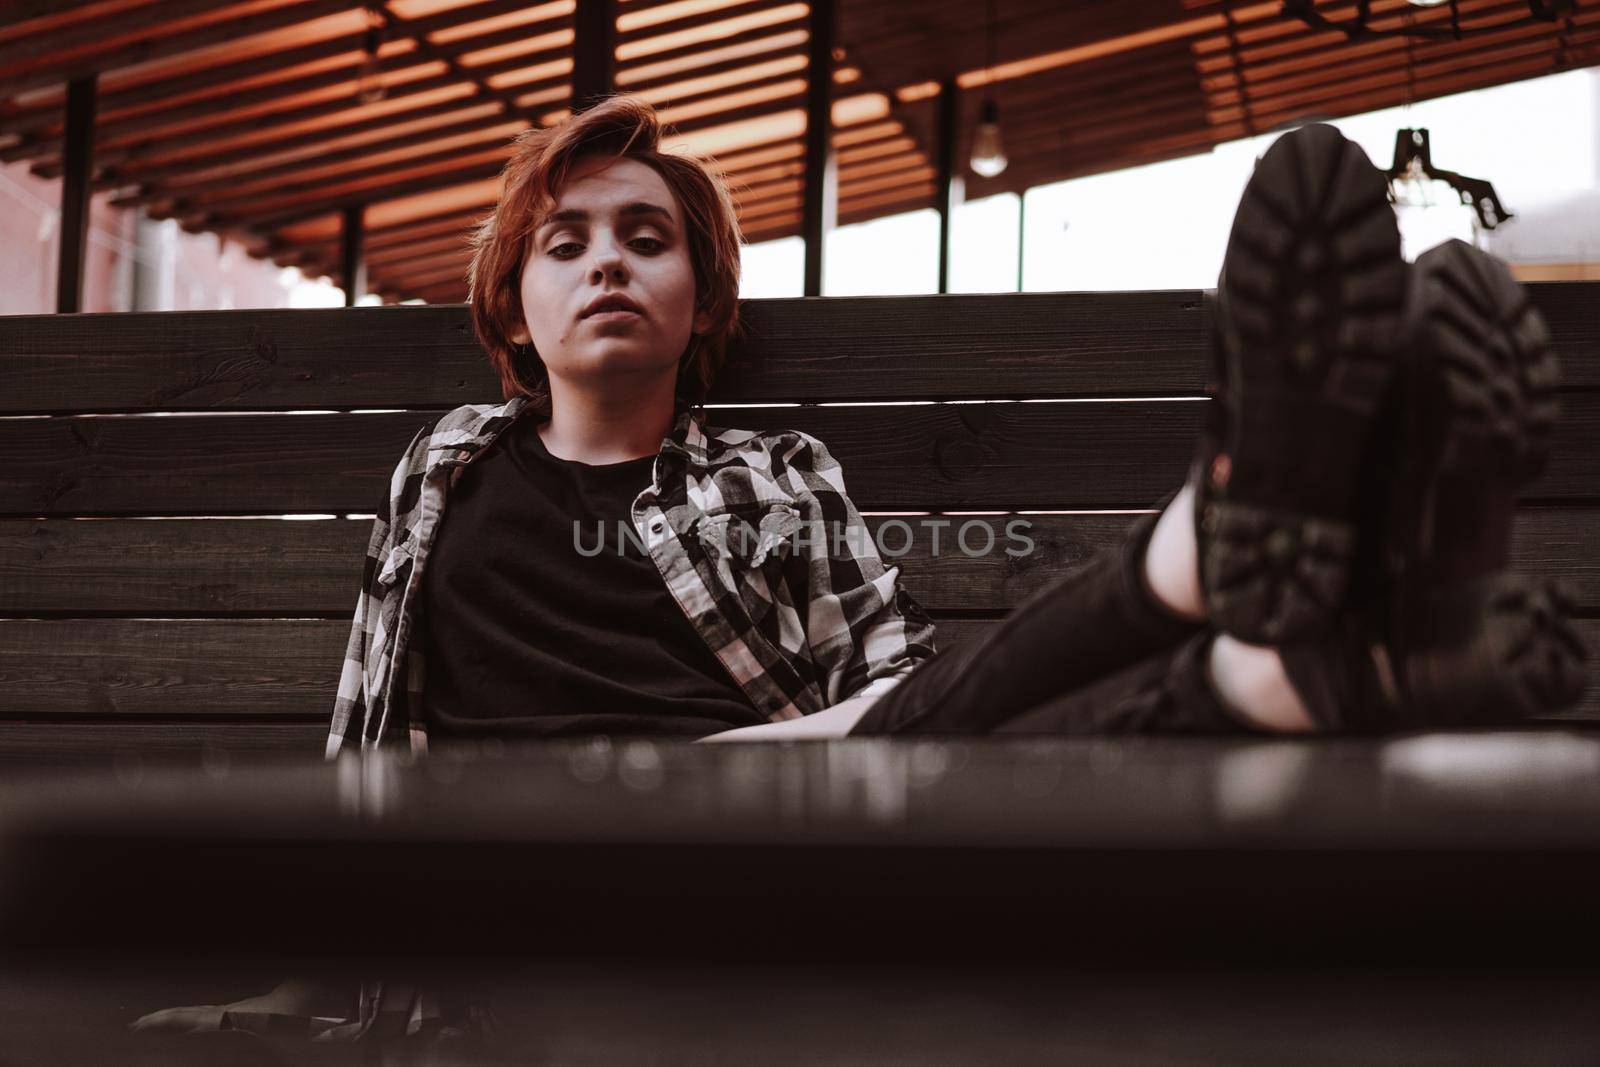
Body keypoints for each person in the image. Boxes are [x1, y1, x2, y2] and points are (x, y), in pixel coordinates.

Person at [132, 96, 1586, 1045]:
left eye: (650, 238)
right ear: (513, 300)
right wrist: (301, 971)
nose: (610, 264)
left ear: (702, 298)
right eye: (566, 243)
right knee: (938, 743)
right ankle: (1256, 599)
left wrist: (775, 764)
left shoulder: (779, 474)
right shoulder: (440, 470)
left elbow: (911, 726)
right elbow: (366, 734)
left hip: (772, 847)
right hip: (517, 895)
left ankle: (1277, 638)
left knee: (939, 742)